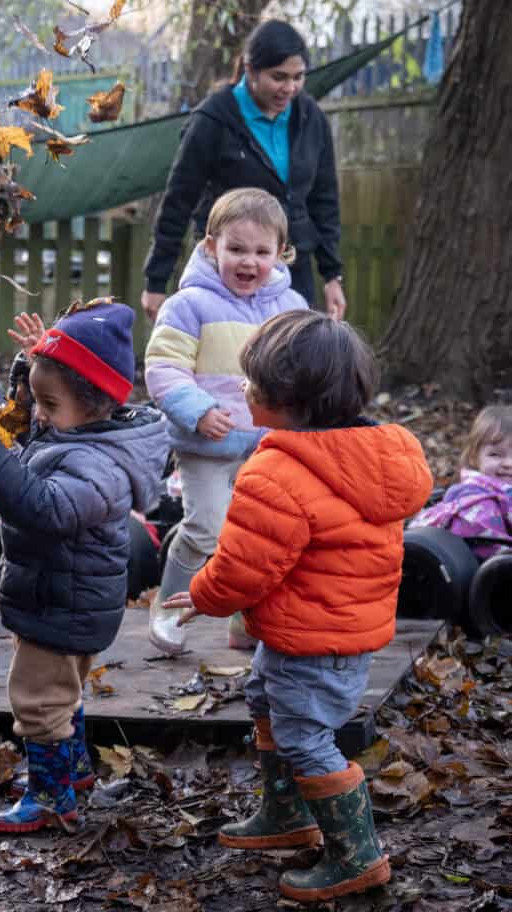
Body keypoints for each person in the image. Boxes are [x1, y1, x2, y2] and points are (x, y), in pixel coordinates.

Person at [163, 309, 433, 902]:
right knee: (266, 698)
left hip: (311, 638)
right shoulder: (375, 456)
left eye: (251, 385)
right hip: (336, 629)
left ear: (283, 402)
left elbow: (243, 568)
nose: (242, 390)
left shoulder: (277, 474)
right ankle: (287, 814)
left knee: (306, 736)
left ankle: (357, 855)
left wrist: (204, 593)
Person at [0, 300, 168, 833]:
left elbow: (47, 509)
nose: (40, 414)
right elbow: (35, 433)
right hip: (68, 595)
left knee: (37, 700)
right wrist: (30, 375)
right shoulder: (84, 433)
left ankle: (51, 797)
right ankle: (73, 771)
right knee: (61, 693)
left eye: (50, 402)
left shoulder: (97, 464)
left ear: (94, 404)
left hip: (61, 600)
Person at [145, 187, 307, 654]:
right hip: (207, 445)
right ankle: (170, 606)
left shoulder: (291, 307)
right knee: (206, 529)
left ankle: (247, 617)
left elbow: (306, 369)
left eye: (262, 251)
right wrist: (197, 412)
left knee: (262, 535)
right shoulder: (189, 305)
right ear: (212, 246)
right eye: (236, 249)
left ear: (281, 253)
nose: (248, 262)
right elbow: (164, 368)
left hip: (270, 448)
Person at [141, 19, 346, 322]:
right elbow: (178, 201)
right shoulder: (213, 120)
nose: (289, 88)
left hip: (292, 268)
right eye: (278, 77)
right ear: (250, 69)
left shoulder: (311, 118)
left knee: (288, 358)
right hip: (227, 270)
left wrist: (332, 276)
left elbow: (324, 200)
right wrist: (156, 281)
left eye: (298, 77)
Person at [409, 405, 512, 559]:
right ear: (474, 458)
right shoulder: (475, 499)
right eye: (495, 454)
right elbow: (495, 557)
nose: (508, 463)